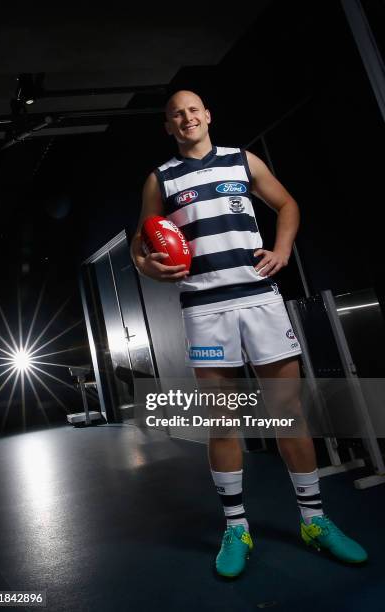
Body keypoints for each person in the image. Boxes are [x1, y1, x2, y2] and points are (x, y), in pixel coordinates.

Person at [130, 90, 367, 577]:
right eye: (177, 113)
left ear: (208, 115)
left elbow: (287, 205)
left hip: (259, 300)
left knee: (287, 411)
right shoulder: (161, 178)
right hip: (205, 308)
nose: (187, 117)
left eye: (194, 109)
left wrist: (281, 250)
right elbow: (140, 243)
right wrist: (150, 269)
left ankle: (315, 521)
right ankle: (236, 528)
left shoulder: (242, 160)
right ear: (168, 126)